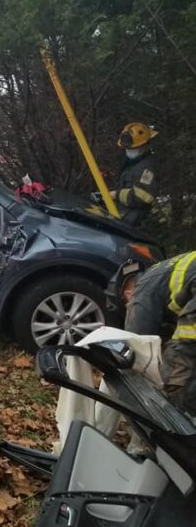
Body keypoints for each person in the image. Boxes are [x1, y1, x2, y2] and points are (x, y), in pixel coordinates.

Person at [119, 252, 196, 415]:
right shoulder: (165, 271)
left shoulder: (142, 289)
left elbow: (136, 342)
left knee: (175, 379)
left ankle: (179, 433)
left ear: (128, 295)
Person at [112, 122, 158, 227]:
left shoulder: (146, 167)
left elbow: (143, 197)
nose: (129, 151)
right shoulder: (132, 164)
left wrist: (116, 195)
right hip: (125, 218)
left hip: (133, 222)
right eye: (128, 149)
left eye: (133, 148)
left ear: (144, 146)